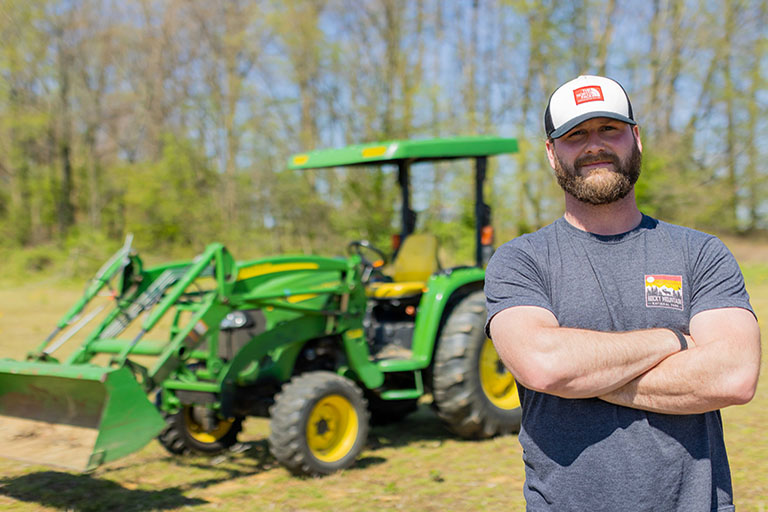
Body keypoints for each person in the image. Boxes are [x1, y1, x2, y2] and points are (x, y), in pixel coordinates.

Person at [484, 75, 761, 511]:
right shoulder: (521, 261)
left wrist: (582, 378)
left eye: (609, 129)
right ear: (552, 154)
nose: (595, 145)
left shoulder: (701, 252)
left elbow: (734, 375)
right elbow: (543, 365)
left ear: (636, 139)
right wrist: (673, 341)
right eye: (575, 135)